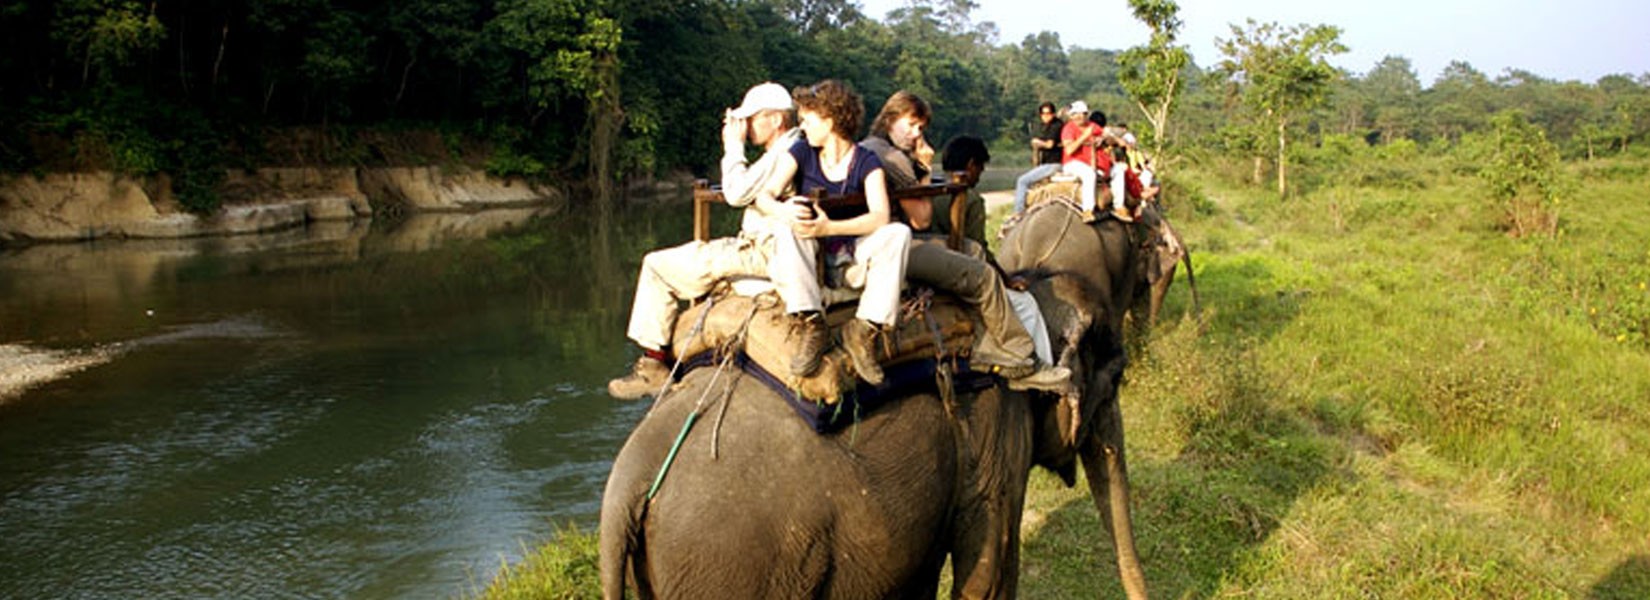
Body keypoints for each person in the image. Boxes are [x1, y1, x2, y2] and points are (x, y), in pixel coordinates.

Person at [860, 91, 1068, 391]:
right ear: (891, 119)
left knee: (972, 250)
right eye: (912, 125)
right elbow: (921, 219)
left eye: (921, 128)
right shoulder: (893, 157)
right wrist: (923, 166)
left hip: (884, 240)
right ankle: (1018, 356)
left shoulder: (869, 147)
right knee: (983, 276)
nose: (917, 134)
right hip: (895, 244)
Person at [607, 82, 801, 399]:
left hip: (764, 251)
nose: (746, 126)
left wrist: (732, 147)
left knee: (655, 265)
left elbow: (737, 193)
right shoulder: (794, 147)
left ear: (776, 119)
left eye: (752, 119)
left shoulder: (785, 151)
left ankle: (654, 366)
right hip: (772, 245)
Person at [762, 79, 912, 386]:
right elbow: (766, 195)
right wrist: (783, 210)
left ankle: (864, 329)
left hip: (851, 259)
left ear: (829, 120)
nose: (802, 127)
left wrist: (830, 227)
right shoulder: (802, 150)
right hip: (811, 258)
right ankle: (812, 323)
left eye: (807, 119)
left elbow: (880, 215)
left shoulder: (866, 161)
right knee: (789, 226)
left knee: (898, 233)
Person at [1059, 100, 1112, 221]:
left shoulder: (1092, 126)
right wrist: (1084, 136)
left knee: (1117, 171)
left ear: (1086, 115)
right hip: (1073, 163)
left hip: (1092, 163)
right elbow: (1069, 150)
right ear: (1071, 116)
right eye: (1075, 114)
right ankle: (1088, 210)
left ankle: (1120, 206)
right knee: (1089, 174)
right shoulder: (1068, 129)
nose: (1078, 117)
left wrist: (1102, 139)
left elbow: (1108, 134)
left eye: (1081, 114)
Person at [1012, 102, 1065, 214]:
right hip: (1046, 163)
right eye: (1044, 114)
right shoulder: (1043, 126)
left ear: (1054, 114)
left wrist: (1037, 142)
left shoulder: (1057, 125)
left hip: (1054, 163)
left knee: (1022, 181)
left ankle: (1018, 212)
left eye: (1049, 113)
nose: (1046, 116)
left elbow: (1049, 144)